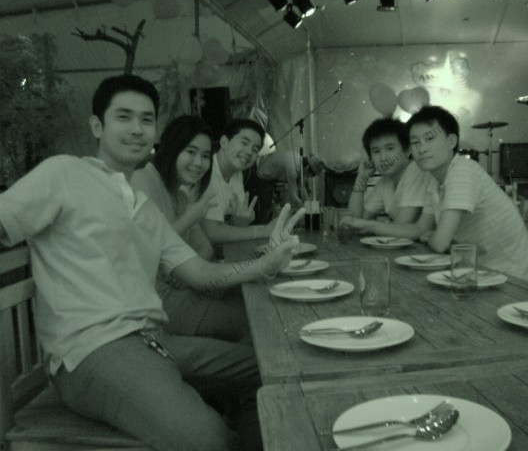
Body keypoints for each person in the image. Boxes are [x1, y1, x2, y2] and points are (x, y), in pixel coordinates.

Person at [0, 74, 305, 451]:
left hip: (155, 340)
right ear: (97, 126)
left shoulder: (144, 208)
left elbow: (201, 273)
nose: (136, 129)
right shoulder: (64, 173)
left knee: (277, 368)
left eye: (146, 119)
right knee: (206, 438)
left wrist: (265, 264)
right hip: (91, 352)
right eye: (123, 117)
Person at [350, 106, 528, 285]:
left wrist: (430, 237)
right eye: (415, 142)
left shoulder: (463, 171)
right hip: (475, 274)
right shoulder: (435, 180)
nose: (421, 148)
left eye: (429, 139)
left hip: (515, 283)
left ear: (452, 141)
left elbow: (440, 243)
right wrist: (370, 224)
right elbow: (420, 229)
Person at [131, 115, 249, 342]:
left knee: (249, 295)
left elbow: (206, 249)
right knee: (251, 318)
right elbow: (145, 249)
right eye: (191, 152)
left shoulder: (181, 196)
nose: (199, 163)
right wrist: (190, 217)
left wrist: (181, 273)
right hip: (154, 302)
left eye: (205, 156)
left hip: (186, 287)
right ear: (172, 148)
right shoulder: (141, 181)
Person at [342, 117, 433, 233]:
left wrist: (371, 226)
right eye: (376, 151)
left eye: (390, 148)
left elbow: (403, 224)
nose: (383, 157)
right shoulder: (384, 183)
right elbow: (354, 221)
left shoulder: (416, 170)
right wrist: (362, 177)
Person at [201, 119, 276, 243]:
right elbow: (211, 233)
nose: (249, 152)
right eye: (244, 143)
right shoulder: (205, 171)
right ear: (224, 142)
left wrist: (239, 222)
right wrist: (263, 231)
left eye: (255, 149)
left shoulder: (236, 174)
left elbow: (235, 227)